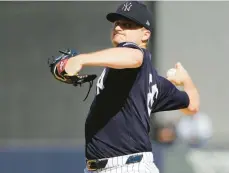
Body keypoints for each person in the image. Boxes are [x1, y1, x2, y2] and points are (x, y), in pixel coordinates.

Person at [56, 1, 200, 172]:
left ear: (145, 34)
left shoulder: (133, 55)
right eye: (117, 23)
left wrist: (80, 59)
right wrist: (186, 81)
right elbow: (192, 105)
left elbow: (134, 57)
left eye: (128, 24)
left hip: (126, 166)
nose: (118, 28)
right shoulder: (154, 81)